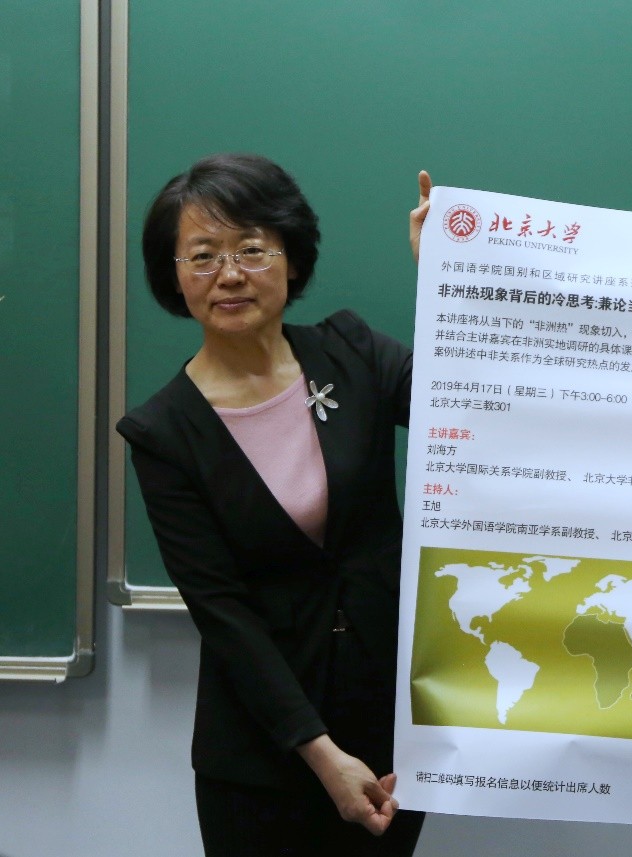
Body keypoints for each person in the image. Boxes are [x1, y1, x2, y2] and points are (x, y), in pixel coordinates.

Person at [118, 153, 436, 856]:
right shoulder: (163, 431)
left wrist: (449, 278)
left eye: (251, 249)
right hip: (264, 755)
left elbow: (472, 406)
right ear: (174, 275)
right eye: (203, 255)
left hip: (389, 732)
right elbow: (222, 612)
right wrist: (322, 756)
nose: (229, 274)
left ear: (291, 259)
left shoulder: (353, 352)